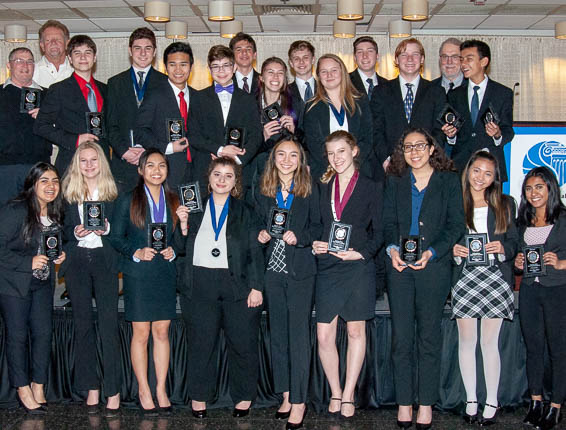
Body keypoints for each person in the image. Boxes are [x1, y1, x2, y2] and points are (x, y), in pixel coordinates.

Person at [383, 128, 465, 429]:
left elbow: (456, 224)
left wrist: (431, 252)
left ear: (432, 148)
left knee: (429, 338)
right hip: (399, 270)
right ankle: (405, 404)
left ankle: (426, 404)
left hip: (434, 268)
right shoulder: (394, 182)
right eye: (407, 147)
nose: (414, 151)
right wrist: (393, 250)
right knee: (401, 339)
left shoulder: (449, 181)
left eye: (420, 145)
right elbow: (387, 222)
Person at [175, 157, 264, 419]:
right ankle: (199, 397)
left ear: (236, 182)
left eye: (228, 175)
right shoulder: (193, 208)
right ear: (209, 178)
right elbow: (178, 250)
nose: (222, 180)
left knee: (242, 344)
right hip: (200, 284)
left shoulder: (246, 211)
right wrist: (181, 225)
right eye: (217, 174)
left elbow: (254, 252)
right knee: (201, 345)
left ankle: (244, 397)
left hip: (237, 283)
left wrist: (257, 287)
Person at [311, 130, 383, 419]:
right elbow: (318, 224)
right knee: (324, 335)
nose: (336, 158)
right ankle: (335, 390)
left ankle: (349, 393)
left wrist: (361, 252)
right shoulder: (322, 186)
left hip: (357, 266)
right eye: (331, 153)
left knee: (355, 331)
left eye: (341, 151)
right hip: (328, 266)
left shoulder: (372, 186)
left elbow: (380, 232)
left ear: (354, 151)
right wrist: (316, 242)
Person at [255, 136, 321, 429]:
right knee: (278, 335)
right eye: (281, 154)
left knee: (298, 337)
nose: (286, 160)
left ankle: (299, 401)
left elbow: (320, 226)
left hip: (299, 272)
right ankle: (285, 394)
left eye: (292, 155)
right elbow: (254, 223)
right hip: (272, 272)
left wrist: (302, 237)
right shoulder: (263, 190)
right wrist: (259, 234)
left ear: (300, 161)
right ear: (273, 159)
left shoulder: (310, 189)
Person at [108, 149, 179, 415]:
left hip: (164, 274)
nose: (157, 170)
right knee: (142, 334)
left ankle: (160, 388)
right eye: (151, 166)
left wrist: (174, 248)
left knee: (162, 332)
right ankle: (143, 389)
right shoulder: (127, 200)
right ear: (140, 170)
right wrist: (135, 252)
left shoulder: (174, 200)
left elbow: (179, 241)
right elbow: (115, 237)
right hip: (138, 274)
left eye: (162, 166)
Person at [451, 151, 518, 426]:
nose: (481, 178)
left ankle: (492, 400)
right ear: (468, 171)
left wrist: (504, 248)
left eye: (488, 174)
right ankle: (470, 400)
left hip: (495, 277)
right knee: (467, 342)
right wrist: (454, 250)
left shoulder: (505, 204)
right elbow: (446, 237)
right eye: (476, 171)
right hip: (466, 277)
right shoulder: (455, 202)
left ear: (495, 178)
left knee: (489, 343)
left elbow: (515, 242)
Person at [59, 142, 121, 417]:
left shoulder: (114, 192)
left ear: (101, 162)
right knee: (82, 325)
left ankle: (113, 389)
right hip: (78, 263)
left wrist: (106, 228)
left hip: (105, 261)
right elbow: (59, 228)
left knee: (109, 325)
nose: (88, 165)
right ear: (76, 164)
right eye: (83, 160)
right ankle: (91, 387)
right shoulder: (68, 193)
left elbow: (121, 229)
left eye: (93, 160)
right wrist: (73, 231)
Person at [0, 162, 66, 413]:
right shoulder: (16, 210)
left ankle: (39, 385)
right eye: (45, 181)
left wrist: (60, 255)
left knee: (43, 334)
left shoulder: (55, 211)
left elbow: (50, 246)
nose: (51, 187)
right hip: (13, 284)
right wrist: (26, 263)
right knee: (17, 338)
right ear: (33, 184)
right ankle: (22, 389)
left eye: (55, 181)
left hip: (42, 284)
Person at [514, 166, 566, 430]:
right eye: (528, 188)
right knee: (533, 348)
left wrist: (560, 263)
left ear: (550, 188)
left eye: (539, 187)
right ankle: (535, 402)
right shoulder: (522, 220)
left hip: (557, 291)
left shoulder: (564, 218)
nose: (533, 193)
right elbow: (515, 259)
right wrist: (518, 261)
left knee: (558, 350)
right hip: (530, 292)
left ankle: (556, 406)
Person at [188, 45, 262, 197]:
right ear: (209, 69)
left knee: (236, 219)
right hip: (205, 172)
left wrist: (236, 158)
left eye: (226, 65)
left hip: (239, 174)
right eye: (216, 66)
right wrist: (220, 150)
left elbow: (256, 136)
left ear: (234, 67)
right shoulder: (198, 98)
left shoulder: (248, 100)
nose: (221, 71)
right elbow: (193, 135)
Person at [370, 38, 446, 178]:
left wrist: (429, 158)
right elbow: (376, 129)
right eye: (404, 55)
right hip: (391, 167)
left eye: (415, 54)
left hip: (427, 166)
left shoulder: (436, 92)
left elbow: (440, 131)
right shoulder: (381, 91)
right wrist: (386, 159)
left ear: (422, 59)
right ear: (397, 60)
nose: (410, 59)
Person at [34, 35, 108, 174]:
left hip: (101, 164)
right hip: (71, 162)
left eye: (88, 53)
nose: (83, 57)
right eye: (77, 53)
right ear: (70, 59)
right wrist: (75, 139)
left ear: (95, 57)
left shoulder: (106, 89)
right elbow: (41, 126)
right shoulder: (58, 90)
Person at [106, 27, 168, 192]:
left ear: (154, 52)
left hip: (155, 165)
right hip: (124, 163)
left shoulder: (166, 83)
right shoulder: (115, 83)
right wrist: (124, 151)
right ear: (130, 51)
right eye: (137, 48)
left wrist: (149, 152)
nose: (142, 53)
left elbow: (165, 127)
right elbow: (110, 125)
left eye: (148, 48)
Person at [444, 40, 514, 182]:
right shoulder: (454, 95)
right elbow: (453, 133)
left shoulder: (502, 93)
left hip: (490, 167)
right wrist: (451, 136)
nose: (463, 64)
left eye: (469, 59)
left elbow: (508, 130)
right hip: (460, 167)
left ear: (484, 62)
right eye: (461, 59)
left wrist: (497, 134)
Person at [303, 54, 375, 182]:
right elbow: (314, 144)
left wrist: (352, 164)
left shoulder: (360, 101)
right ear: (318, 76)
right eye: (324, 72)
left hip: (359, 170)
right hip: (325, 173)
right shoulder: (311, 106)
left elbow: (368, 136)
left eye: (334, 70)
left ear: (343, 72)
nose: (329, 75)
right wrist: (334, 165)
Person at [134, 41, 196, 188]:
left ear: (191, 67)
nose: (178, 70)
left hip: (196, 171)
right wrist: (168, 147)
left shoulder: (199, 97)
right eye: (172, 64)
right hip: (167, 171)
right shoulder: (154, 96)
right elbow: (140, 132)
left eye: (183, 64)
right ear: (165, 67)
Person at [0, 47, 51, 205]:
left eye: (29, 61)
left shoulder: (49, 95)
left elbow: (60, 129)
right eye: (19, 61)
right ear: (9, 66)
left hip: (39, 167)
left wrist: (47, 118)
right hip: (6, 168)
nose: (25, 65)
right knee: (6, 220)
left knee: (39, 218)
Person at [33, 20, 73, 88]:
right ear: (42, 45)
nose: (53, 43)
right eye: (48, 40)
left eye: (58, 39)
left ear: (67, 43)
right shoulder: (32, 72)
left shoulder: (78, 71)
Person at [287, 40, 316, 108]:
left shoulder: (325, 89)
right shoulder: (284, 92)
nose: (301, 62)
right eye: (296, 59)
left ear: (313, 60)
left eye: (305, 57)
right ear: (291, 63)